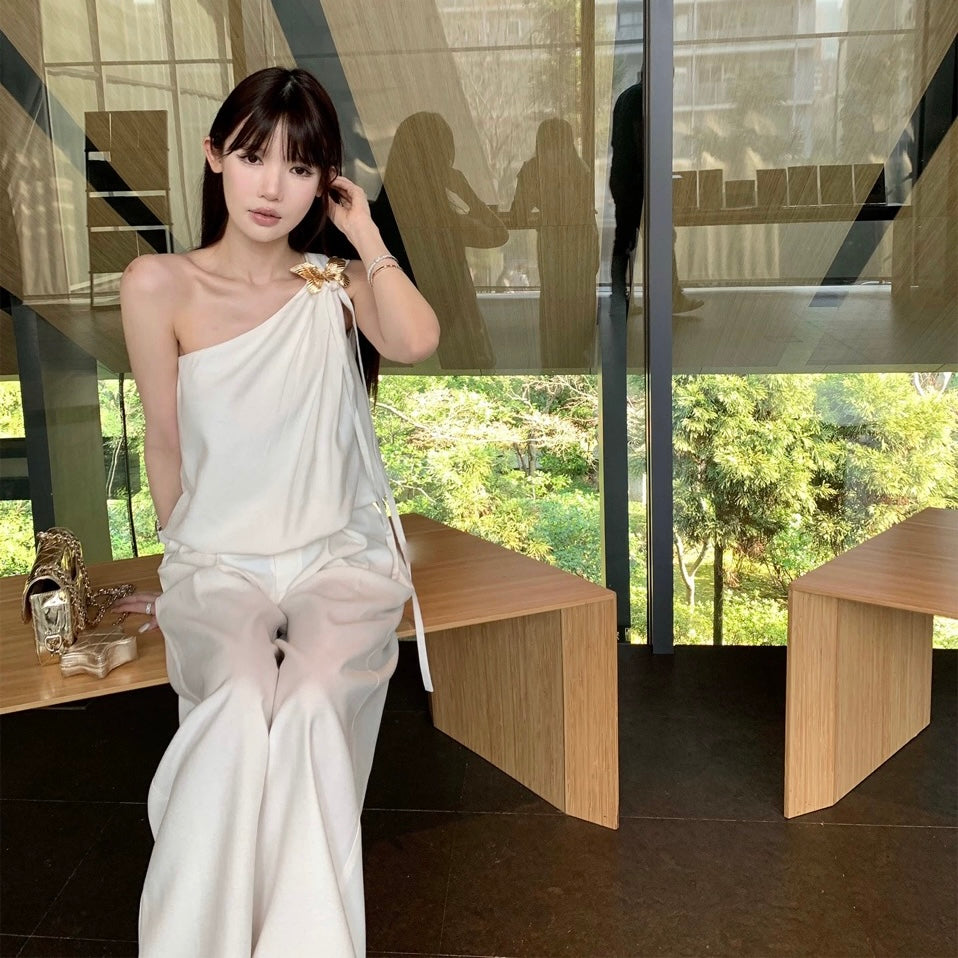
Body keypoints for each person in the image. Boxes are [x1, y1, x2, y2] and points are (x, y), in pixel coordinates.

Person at [112, 66, 440, 958]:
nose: (271, 187)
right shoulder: (158, 285)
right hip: (220, 560)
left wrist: (363, 231)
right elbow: (165, 443)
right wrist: (182, 568)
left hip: (337, 556)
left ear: (324, 182)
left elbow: (416, 339)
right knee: (239, 696)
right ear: (215, 155)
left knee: (310, 705)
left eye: (300, 168)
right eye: (254, 156)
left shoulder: (332, 285)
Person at [375, 112, 507, 370]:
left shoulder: (384, 211)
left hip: (398, 323)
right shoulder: (442, 220)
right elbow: (497, 234)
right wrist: (464, 190)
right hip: (451, 325)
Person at [509, 118, 599, 368]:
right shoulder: (579, 168)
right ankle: (578, 362)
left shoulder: (533, 169)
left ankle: (556, 362)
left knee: (555, 304)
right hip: (582, 243)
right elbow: (586, 212)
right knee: (580, 303)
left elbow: (518, 214)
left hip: (554, 245)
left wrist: (542, 216)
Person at [610, 76, 703, 314]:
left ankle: (621, 299)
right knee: (662, 236)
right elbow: (642, 140)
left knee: (625, 241)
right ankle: (671, 297)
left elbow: (619, 142)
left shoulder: (626, 96)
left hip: (623, 178)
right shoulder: (643, 98)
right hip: (640, 180)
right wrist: (656, 176)